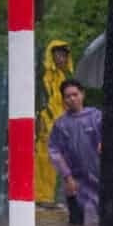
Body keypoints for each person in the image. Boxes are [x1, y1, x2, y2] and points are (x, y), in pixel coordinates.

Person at [47, 80, 102, 226]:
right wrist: (67, 177)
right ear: (63, 99)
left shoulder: (96, 116)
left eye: (75, 94)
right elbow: (54, 152)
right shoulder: (60, 125)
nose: (72, 99)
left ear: (82, 94)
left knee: (103, 224)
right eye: (67, 96)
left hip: (100, 178)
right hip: (75, 182)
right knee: (77, 225)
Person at [34, 40, 74, 209]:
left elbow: (63, 101)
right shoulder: (45, 74)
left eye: (64, 55)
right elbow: (44, 99)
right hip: (46, 122)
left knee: (53, 161)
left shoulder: (62, 77)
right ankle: (40, 196)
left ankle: (47, 196)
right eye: (58, 54)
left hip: (58, 124)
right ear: (52, 55)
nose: (62, 58)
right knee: (43, 159)